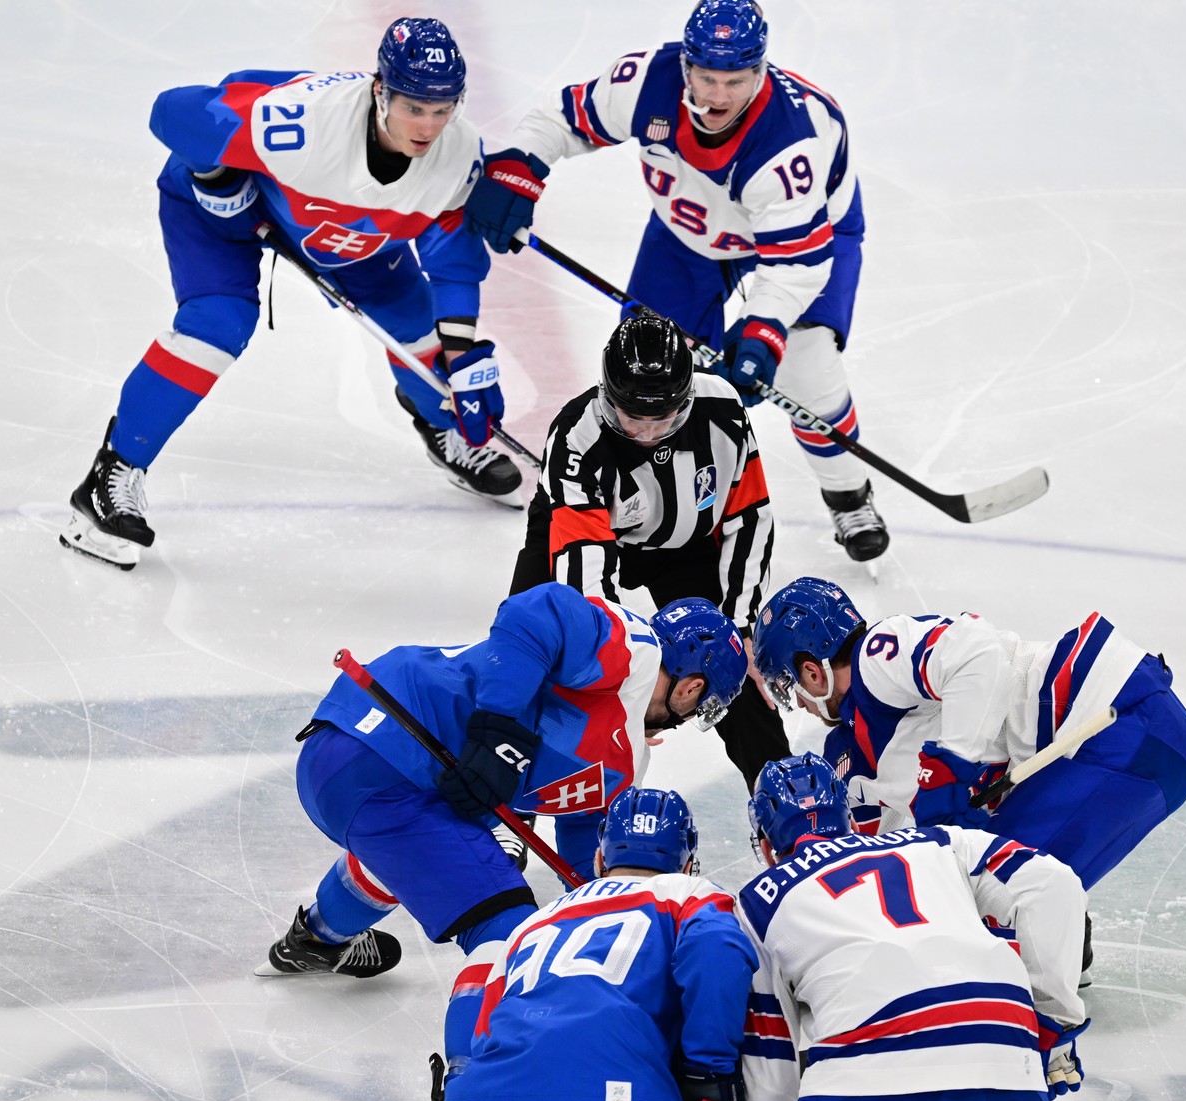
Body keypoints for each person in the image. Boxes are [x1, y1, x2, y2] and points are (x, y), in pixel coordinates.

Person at [62, 18, 519, 570]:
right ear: (381, 92)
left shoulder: (458, 153)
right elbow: (173, 111)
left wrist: (463, 357)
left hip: (342, 230)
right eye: (413, 107)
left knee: (416, 321)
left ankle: (445, 431)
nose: (428, 126)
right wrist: (216, 179)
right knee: (217, 325)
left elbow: (453, 265)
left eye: (442, 109)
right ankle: (111, 474)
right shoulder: (303, 123)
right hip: (226, 218)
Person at [465, 0, 890, 563]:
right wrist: (522, 165)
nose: (717, 96)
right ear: (686, 65)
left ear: (761, 71)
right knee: (646, 368)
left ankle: (848, 495)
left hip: (809, 239)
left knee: (805, 366)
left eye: (735, 81)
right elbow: (562, 117)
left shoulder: (790, 144)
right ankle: (640, 494)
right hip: (688, 234)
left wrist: (763, 332)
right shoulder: (646, 83)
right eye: (706, 77)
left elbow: (794, 266)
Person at [260, 584, 747, 986]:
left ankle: (317, 938)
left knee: (432, 848)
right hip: (383, 750)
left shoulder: (627, 762)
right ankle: (478, 1073)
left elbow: (589, 862)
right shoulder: (633, 651)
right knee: (509, 935)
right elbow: (537, 612)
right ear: (692, 688)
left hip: (357, 771)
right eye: (703, 708)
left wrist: (614, 913)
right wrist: (497, 734)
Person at [749, 577, 1186, 894]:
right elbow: (878, 848)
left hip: (1116, 721)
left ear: (812, 671)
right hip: (1128, 739)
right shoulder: (855, 744)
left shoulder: (876, 656)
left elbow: (979, 652)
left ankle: (1040, 966)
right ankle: (1057, 939)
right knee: (973, 890)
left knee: (991, 899)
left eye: (788, 685)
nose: (799, 703)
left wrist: (951, 766)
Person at [509, 312, 785, 791]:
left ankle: (790, 806)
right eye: (632, 417)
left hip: (684, 545)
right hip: (587, 533)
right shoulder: (576, 437)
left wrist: (739, 628)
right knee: (527, 652)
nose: (647, 432)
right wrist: (616, 688)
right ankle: (502, 792)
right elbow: (585, 586)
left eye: (664, 418)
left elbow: (749, 518)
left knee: (732, 668)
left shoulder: (723, 410)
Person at [739, 754, 1088, 1101]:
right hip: (1005, 1061)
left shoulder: (758, 901)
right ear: (852, 822)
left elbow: (772, 1075)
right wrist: (1054, 1026)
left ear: (767, 848)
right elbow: (1055, 885)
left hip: (864, 1082)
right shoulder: (941, 840)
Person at [436, 786, 757, 1101]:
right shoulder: (688, 894)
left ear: (600, 858)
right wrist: (708, 1072)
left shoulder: (534, 922)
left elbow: (482, 1022)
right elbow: (719, 953)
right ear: (687, 865)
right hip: (615, 1098)